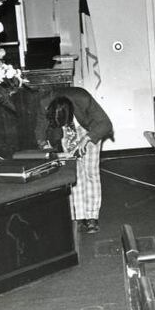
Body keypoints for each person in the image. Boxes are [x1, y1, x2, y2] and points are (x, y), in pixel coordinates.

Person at [35, 87, 113, 234]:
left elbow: (106, 124)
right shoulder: (45, 103)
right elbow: (39, 131)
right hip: (67, 133)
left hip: (89, 129)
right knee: (75, 173)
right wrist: (46, 147)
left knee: (90, 173)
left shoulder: (82, 98)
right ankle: (78, 215)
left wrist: (87, 138)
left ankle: (91, 216)